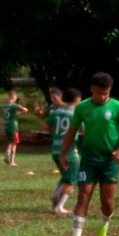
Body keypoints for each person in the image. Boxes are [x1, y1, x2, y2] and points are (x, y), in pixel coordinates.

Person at [59, 72, 119, 236]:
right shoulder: (82, 107)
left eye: (106, 94)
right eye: (99, 93)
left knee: (107, 201)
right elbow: (72, 130)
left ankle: (105, 223)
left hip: (110, 160)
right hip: (89, 159)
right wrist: (63, 153)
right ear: (92, 89)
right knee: (83, 196)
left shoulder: (118, 107)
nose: (103, 97)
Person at [45, 87, 82, 215]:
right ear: (76, 99)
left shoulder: (57, 111)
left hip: (55, 150)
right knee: (71, 179)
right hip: (69, 151)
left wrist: (57, 133)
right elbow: (83, 130)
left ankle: (56, 193)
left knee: (66, 176)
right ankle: (59, 206)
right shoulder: (75, 114)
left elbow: (45, 126)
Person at [2, 89, 29, 166]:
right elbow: (26, 110)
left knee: (10, 142)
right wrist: (21, 110)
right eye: (16, 97)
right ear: (13, 96)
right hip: (13, 126)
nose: (16, 98)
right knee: (14, 143)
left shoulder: (4, 105)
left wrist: (17, 112)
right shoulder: (14, 105)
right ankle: (11, 161)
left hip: (6, 125)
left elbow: (11, 112)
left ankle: (6, 156)